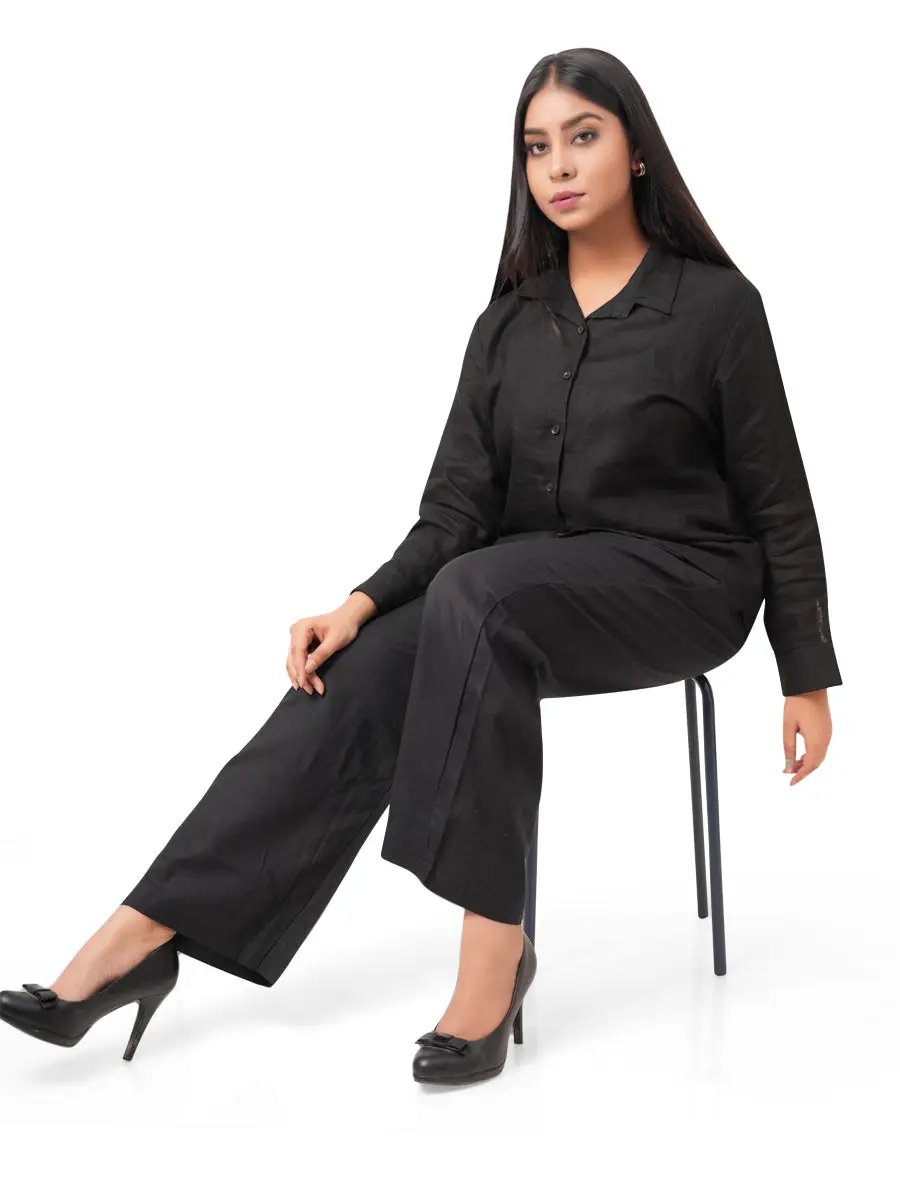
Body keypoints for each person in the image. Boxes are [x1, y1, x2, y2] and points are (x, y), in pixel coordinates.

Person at [0, 47, 842, 1085]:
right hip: (517, 592)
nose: (559, 167)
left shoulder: (717, 308)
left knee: (480, 597)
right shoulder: (506, 325)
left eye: (584, 137)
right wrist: (355, 606)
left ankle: (495, 953)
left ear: (636, 154)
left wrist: (804, 669)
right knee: (365, 663)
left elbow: (780, 504)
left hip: (684, 585)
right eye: (537, 147)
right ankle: (141, 935)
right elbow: (454, 513)